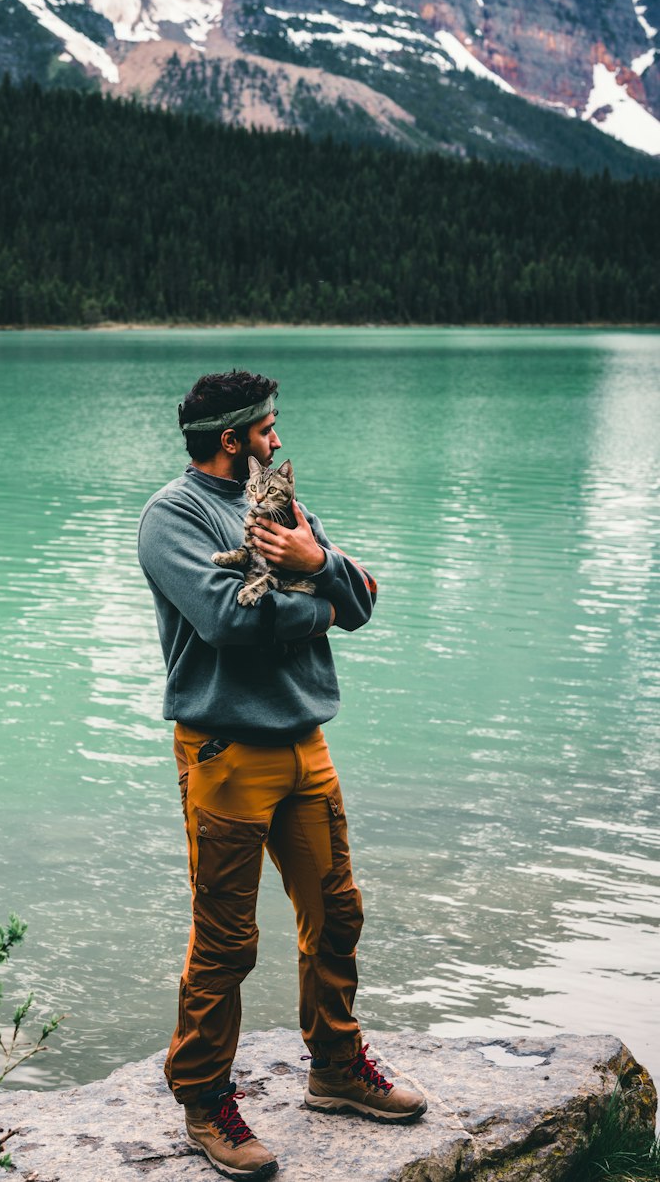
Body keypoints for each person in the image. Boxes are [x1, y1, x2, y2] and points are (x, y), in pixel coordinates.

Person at [137, 369, 426, 1180]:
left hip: (307, 743)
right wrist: (322, 600)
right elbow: (228, 618)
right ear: (230, 438)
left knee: (338, 912)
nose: (276, 439)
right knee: (226, 941)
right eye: (266, 428)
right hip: (226, 753)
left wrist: (318, 557)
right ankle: (203, 1100)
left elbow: (364, 601)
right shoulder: (174, 516)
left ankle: (335, 1069)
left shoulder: (283, 502)